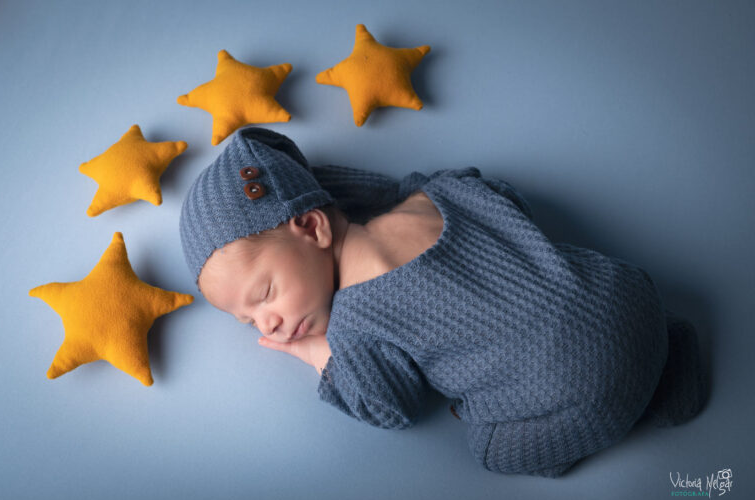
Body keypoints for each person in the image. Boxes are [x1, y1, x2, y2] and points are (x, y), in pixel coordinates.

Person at [179, 127, 708, 478]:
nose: (266, 324)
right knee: (588, 302)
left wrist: (323, 358)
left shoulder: (354, 323)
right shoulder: (437, 193)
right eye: (248, 321)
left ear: (313, 226)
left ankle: (635, 404)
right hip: (626, 295)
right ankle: (667, 351)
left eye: (264, 296)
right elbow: (507, 199)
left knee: (490, 451)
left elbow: (393, 407)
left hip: (582, 392)